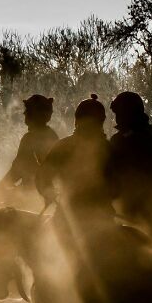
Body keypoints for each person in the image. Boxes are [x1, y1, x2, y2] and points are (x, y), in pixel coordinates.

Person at [36, 94, 115, 250]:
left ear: (77, 120)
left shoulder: (63, 146)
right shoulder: (108, 148)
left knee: (44, 251)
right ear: (101, 121)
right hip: (104, 218)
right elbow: (118, 185)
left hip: (68, 219)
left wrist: (49, 194)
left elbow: (42, 177)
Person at [109, 91, 152, 229]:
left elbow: (113, 173)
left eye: (118, 114)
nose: (116, 118)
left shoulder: (122, 139)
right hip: (151, 206)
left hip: (130, 210)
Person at [0, 94, 59, 208]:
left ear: (33, 114)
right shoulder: (53, 135)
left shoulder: (30, 138)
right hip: (49, 196)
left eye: (27, 110)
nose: (24, 113)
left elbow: (17, 170)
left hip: (32, 197)